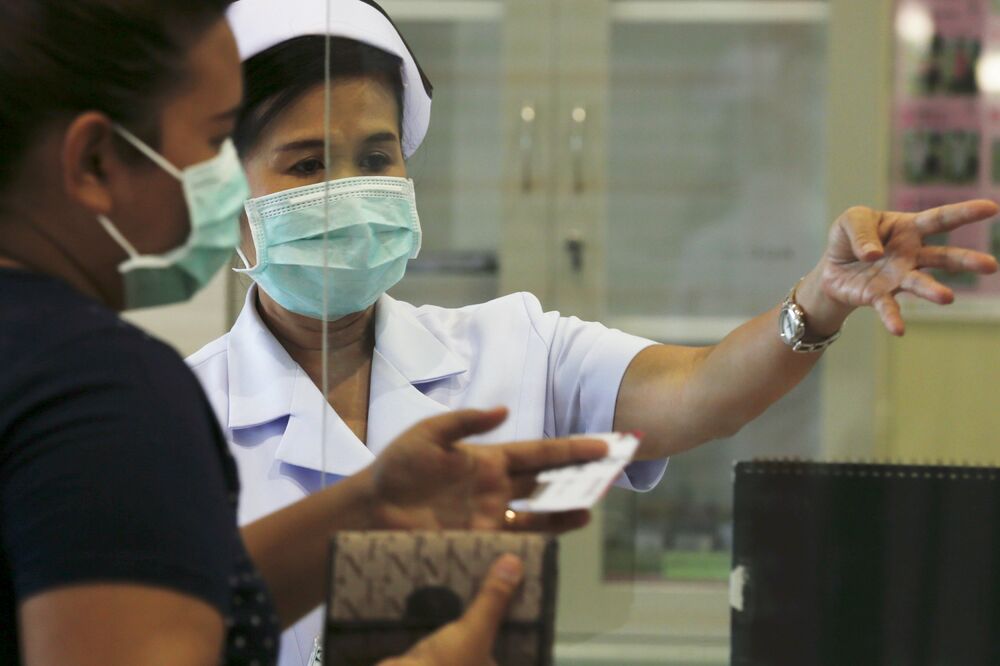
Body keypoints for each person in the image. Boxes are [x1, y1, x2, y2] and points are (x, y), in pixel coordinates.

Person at [189, 0, 1000, 663]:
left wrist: (819, 301)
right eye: (305, 166)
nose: (350, 193)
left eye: (377, 157)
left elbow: (703, 392)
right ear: (226, 195)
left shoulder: (513, 346)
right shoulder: (173, 413)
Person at [0, 2, 607, 664]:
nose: (220, 189)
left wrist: (368, 508)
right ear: (93, 162)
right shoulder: (99, 394)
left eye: (377, 157)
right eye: (210, 146)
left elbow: (188, 605)